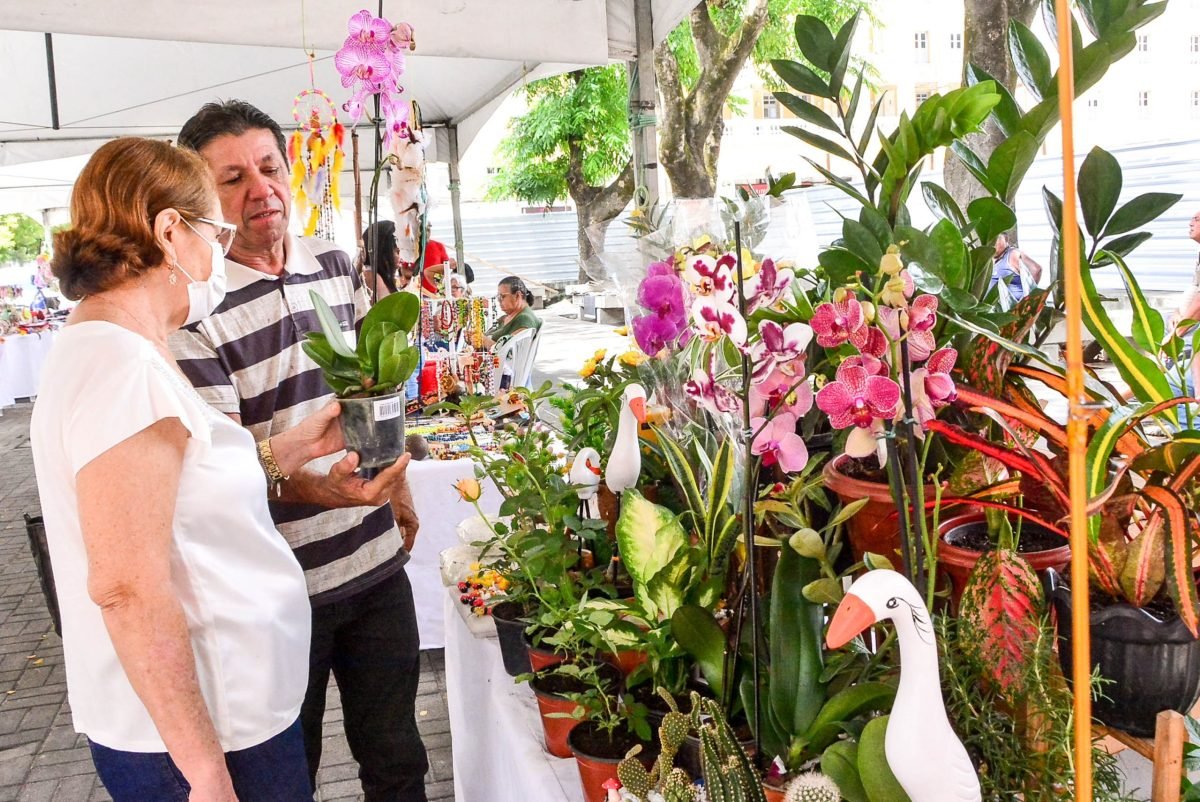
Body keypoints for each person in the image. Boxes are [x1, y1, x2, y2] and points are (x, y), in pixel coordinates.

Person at [30, 137, 349, 801]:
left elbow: (179, 494)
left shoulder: (118, 348)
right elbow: (127, 588)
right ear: (171, 231)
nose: (219, 256)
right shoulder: (124, 368)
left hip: (226, 713)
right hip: (208, 734)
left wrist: (291, 449)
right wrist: (204, 772)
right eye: (216, 233)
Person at [171, 100, 429, 802]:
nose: (261, 189)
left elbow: (376, 390)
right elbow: (221, 471)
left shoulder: (335, 264)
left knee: (398, 758)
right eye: (232, 179)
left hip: (375, 565)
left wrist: (397, 486)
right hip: (277, 591)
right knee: (290, 775)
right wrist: (323, 490)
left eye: (269, 168)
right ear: (198, 200)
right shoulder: (192, 313)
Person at [481, 275, 539, 349]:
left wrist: (482, 339)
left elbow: (505, 350)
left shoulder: (525, 319)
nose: (499, 300)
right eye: (498, 297)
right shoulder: (510, 316)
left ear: (517, 296)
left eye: (502, 296)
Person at [989, 232, 1043, 307]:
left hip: (1012, 309)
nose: (992, 243)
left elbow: (1036, 269)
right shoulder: (991, 258)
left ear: (1006, 239)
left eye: (996, 239)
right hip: (995, 309)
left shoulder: (1012, 254)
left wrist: (1026, 300)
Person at [361, 220, 400, 299]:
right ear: (383, 252)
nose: (400, 257)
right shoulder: (373, 278)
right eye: (397, 251)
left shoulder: (376, 276)